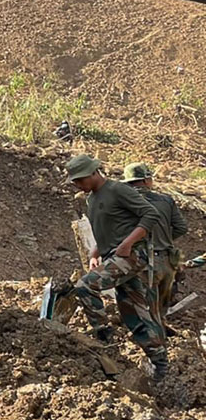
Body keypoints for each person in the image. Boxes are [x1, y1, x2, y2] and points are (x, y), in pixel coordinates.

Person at [59, 155, 167, 381]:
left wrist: (128, 243)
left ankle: (104, 336)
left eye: (79, 180)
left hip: (132, 255)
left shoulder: (118, 190)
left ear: (93, 173)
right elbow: (110, 228)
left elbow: (150, 214)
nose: (77, 185)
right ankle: (160, 363)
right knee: (134, 312)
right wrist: (95, 253)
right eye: (74, 182)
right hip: (113, 256)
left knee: (85, 286)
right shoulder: (92, 199)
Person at [122, 162, 188, 335]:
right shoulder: (166, 200)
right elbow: (181, 228)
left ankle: (151, 341)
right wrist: (165, 238)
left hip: (141, 261)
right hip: (167, 261)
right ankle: (162, 335)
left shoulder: (124, 202)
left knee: (143, 306)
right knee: (161, 305)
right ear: (145, 180)